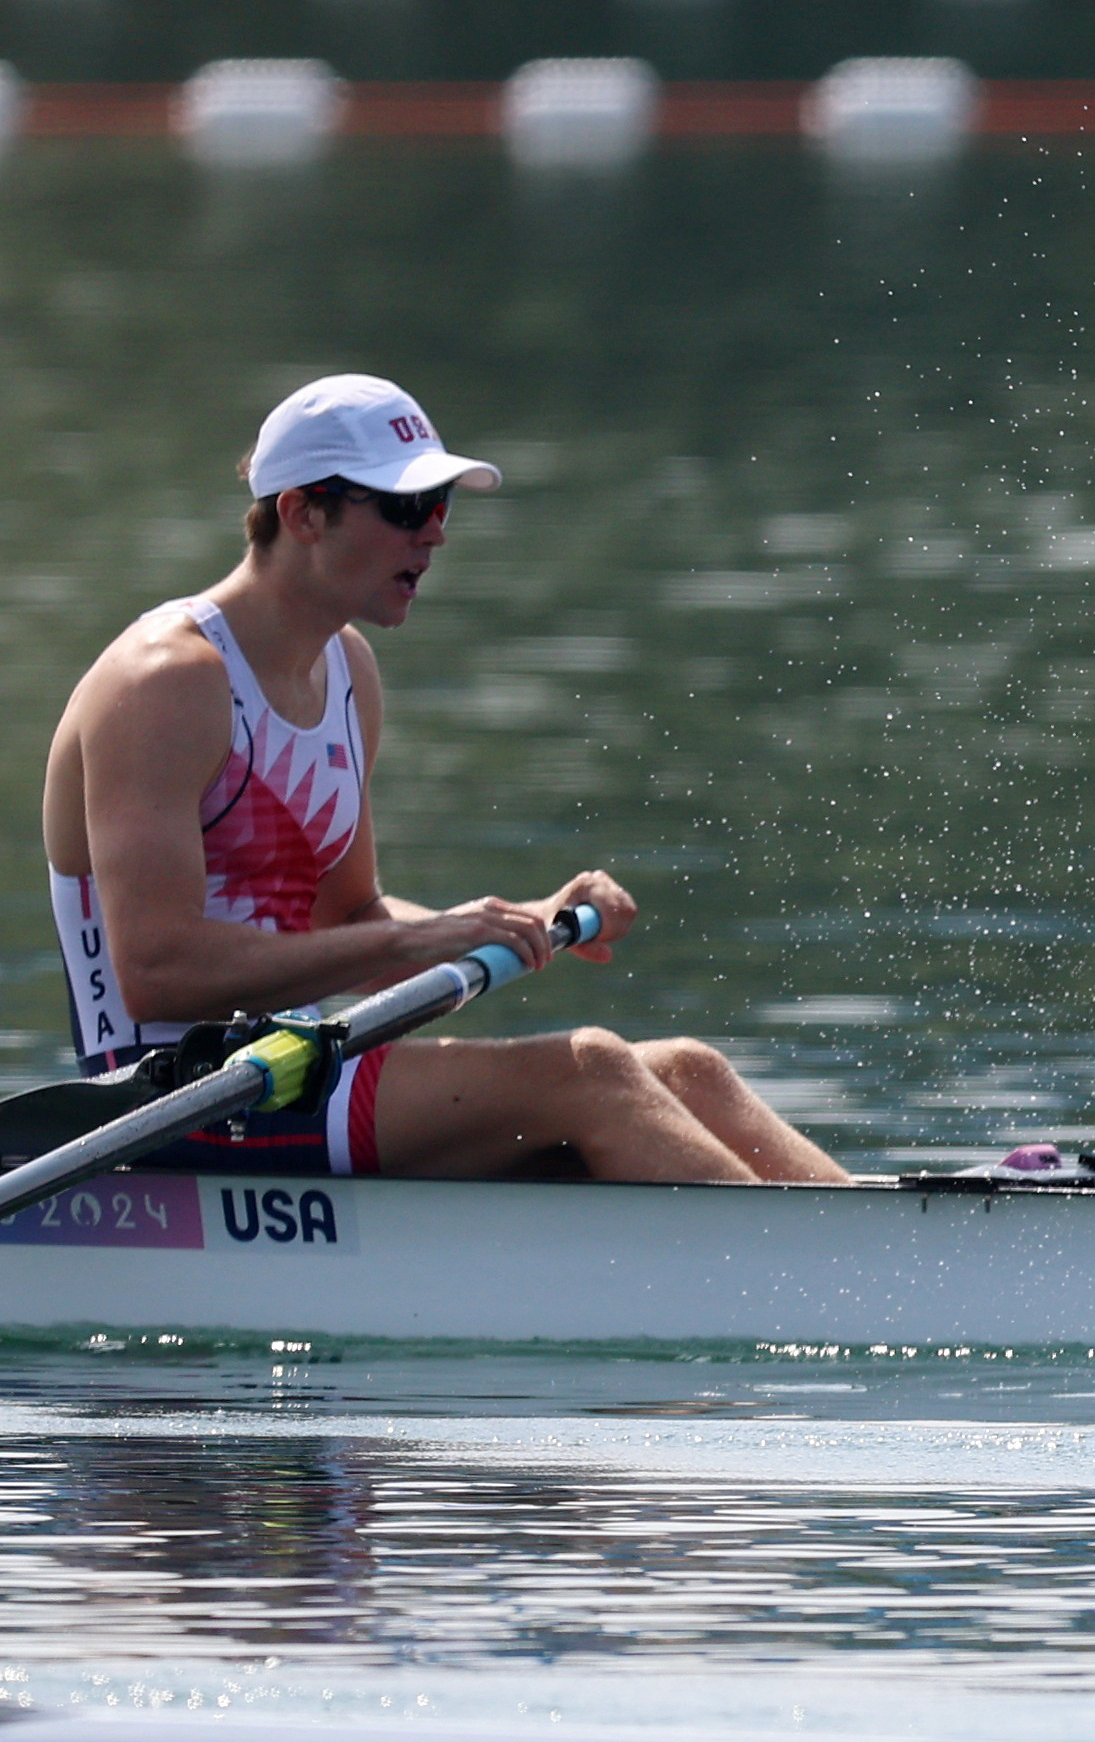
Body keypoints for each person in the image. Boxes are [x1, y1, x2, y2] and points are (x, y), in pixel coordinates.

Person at [38, 375, 847, 1185]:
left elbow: (346, 918)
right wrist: (422, 938)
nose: (433, 535)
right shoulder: (164, 683)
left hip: (285, 1069)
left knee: (687, 1070)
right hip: (160, 1102)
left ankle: (878, 1272)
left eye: (440, 506)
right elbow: (156, 972)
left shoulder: (346, 668)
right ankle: (827, 1299)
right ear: (302, 513)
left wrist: (518, 921)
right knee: (592, 1070)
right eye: (402, 507)